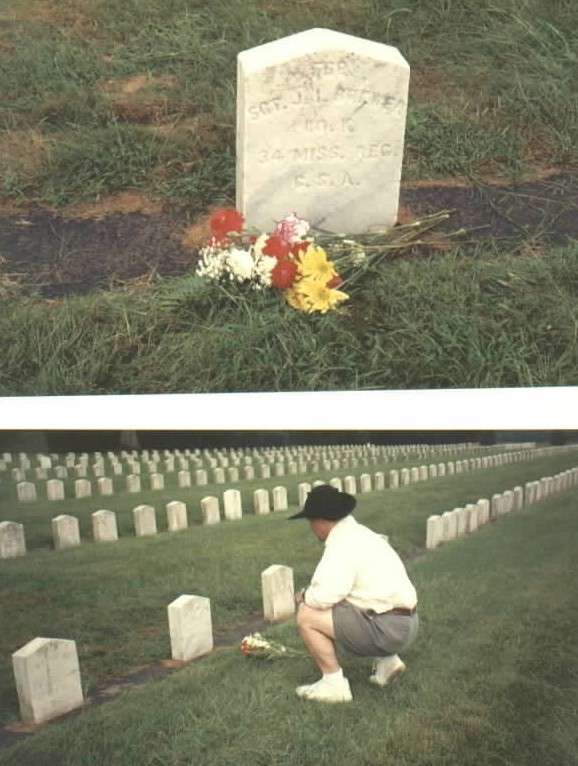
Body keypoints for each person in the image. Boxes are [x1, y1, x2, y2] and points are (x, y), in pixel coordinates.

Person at [289, 483, 418, 703]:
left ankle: (334, 685)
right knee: (352, 603)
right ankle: (388, 664)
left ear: (320, 521)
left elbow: (324, 597)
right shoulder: (362, 534)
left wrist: (303, 596)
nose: (310, 527)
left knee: (306, 615)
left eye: (310, 521)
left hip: (388, 630)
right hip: (409, 623)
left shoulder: (342, 544)